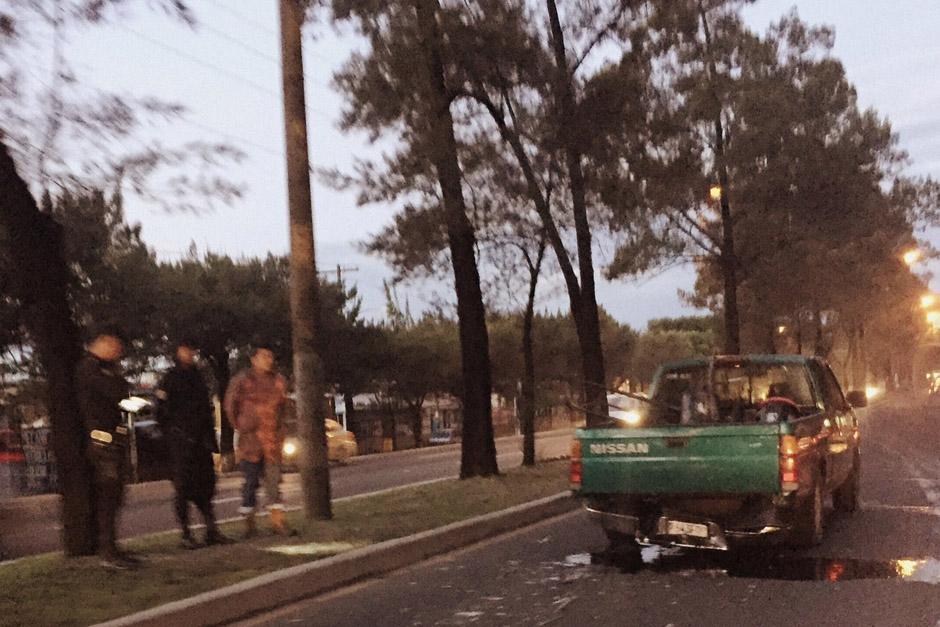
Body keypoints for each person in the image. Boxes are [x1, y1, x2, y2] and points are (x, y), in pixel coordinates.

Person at [155, 340, 232, 549]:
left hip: (201, 442)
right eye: (184, 350)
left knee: (206, 487)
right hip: (181, 443)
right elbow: (160, 412)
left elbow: (206, 410)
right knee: (183, 488)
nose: (189, 354)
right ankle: (186, 534)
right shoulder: (170, 378)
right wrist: (174, 435)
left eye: (191, 350)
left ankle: (211, 530)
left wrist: (210, 440)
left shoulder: (199, 376)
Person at [75, 326, 137, 569]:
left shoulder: (106, 369)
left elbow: (121, 393)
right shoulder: (89, 369)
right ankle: (107, 551)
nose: (117, 352)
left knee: (115, 496)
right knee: (108, 497)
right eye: (115, 346)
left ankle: (111, 547)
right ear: (103, 342)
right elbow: (117, 393)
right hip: (102, 443)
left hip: (113, 439)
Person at [223, 344, 293, 536]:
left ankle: (278, 523)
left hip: (272, 442)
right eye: (264, 356)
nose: (268, 360)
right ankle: (249, 525)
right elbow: (230, 406)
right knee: (250, 482)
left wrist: (279, 431)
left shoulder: (278, 381)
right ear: (253, 359)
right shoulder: (242, 381)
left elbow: (283, 408)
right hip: (250, 442)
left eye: (270, 356)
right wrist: (242, 425)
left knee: (273, 482)